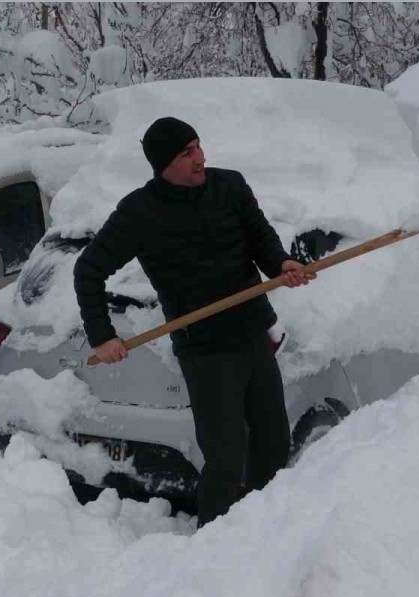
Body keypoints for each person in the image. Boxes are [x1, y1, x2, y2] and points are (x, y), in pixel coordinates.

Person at [73, 117, 314, 527]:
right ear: (163, 164)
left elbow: (259, 236)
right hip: (204, 350)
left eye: (199, 146)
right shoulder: (139, 212)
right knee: (225, 456)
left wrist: (281, 263)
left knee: (274, 443)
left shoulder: (230, 186)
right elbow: (88, 270)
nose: (200, 158)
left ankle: (267, 530)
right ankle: (215, 545)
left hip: (253, 333)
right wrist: (102, 336)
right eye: (187, 153)